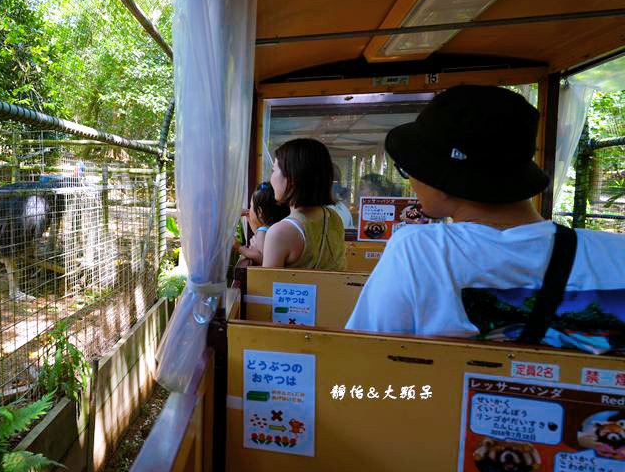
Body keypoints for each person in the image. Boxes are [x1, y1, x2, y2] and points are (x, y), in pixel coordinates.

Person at [346, 85, 625, 352]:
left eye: (410, 170)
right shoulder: (616, 253)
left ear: (442, 180)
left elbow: (365, 354)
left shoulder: (420, 248)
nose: (413, 182)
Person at [263, 138, 346, 270]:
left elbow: (267, 286)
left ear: (291, 179)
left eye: (274, 170)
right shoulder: (334, 218)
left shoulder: (280, 233)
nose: (271, 178)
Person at [233, 182, 289, 266]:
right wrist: (249, 215)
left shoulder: (262, 232)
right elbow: (256, 232)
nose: (249, 209)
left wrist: (239, 247)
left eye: (251, 206)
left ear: (259, 212)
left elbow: (262, 258)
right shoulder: (272, 228)